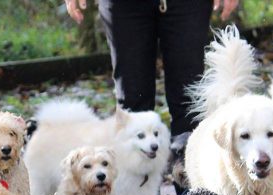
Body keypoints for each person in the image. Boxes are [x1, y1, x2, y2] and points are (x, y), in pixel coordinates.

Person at [65, 0, 239, 136]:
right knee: (133, 103)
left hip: (187, 6)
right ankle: (137, 180)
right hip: (124, 7)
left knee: (189, 102)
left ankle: (188, 178)